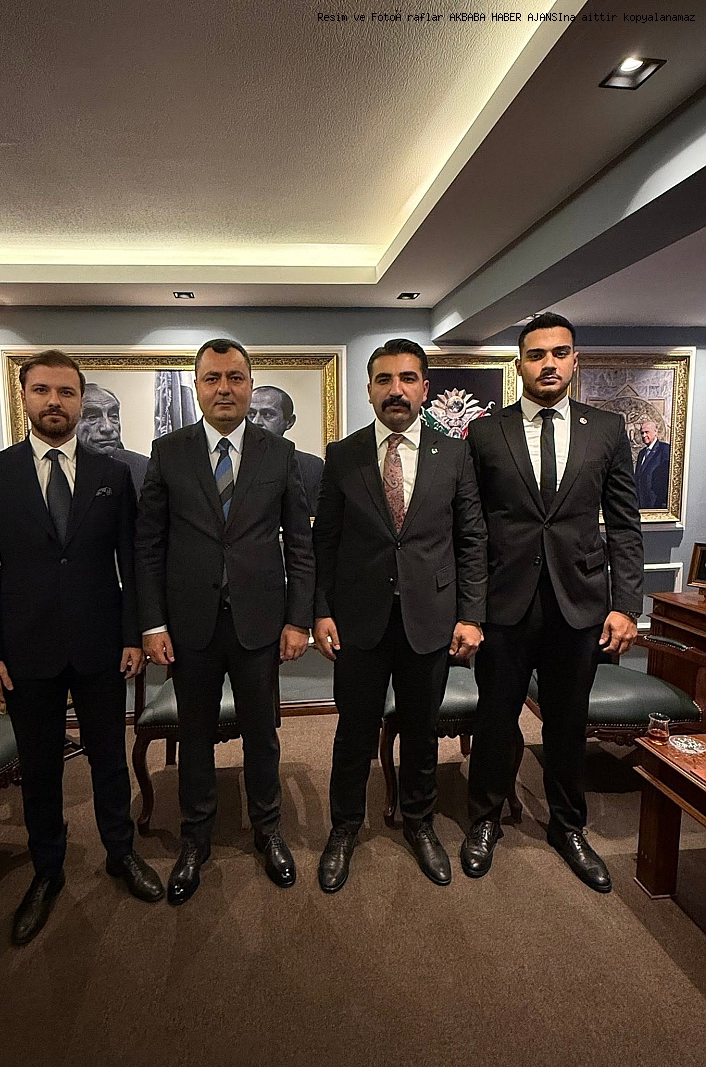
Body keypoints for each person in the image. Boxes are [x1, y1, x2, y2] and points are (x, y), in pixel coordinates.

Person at [0, 350, 164, 946]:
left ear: (79, 399)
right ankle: (47, 871)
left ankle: (120, 853)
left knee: (109, 759)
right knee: (41, 767)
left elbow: (132, 563)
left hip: (102, 646)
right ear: (24, 396)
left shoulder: (112, 475)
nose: (55, 402)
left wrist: (132, 635)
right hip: (24, 651)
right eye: (43, 390)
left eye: (66, 392)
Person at [462, 312, 644, 893]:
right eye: (537, 354)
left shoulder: (606, 429)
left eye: (559, 353)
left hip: (580, 604)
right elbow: (471, 529)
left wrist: (627, 605)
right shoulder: (486, 433)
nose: (549, 364)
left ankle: (568, 827)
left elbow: (624, 524)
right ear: (519, 364)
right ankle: (485, 820)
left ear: (574, 360)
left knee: (568, 723)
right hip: (504, 604)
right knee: (495, 719)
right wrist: (469, 609)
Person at [135, 338, 315, 905]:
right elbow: (149, 546)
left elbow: (301, 544)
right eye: (212, 378)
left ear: (249, 384)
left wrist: (299, 620)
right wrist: (152, 624)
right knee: (195, 735)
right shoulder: (168, 452)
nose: (224, 389)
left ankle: (268, 828)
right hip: (190, 625)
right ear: (197, 387)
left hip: (260, 622)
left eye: (235, 378)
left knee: (262, 733)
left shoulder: (279, 454)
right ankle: (196, 838)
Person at [312, 338, 487, 892]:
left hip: (430, 619)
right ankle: (344, 827)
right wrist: (320, 611)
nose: (396, 390)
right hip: (359, 620)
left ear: (425, 389)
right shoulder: (343, 454)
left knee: (421, 731)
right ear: (368, 390)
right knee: (353, 732)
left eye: (408, 379)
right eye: (384, 379)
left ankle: (420, 823)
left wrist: (471, 615)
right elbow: (325, 542)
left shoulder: (453, 455)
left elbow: (471, 539)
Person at [249, 385, 324, 515]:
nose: (256, 421)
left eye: (267, 414)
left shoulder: (311, 467)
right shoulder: (229, 460)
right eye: (250, 414)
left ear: (289, 422)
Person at [76, 383, 149, 495]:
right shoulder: (56, 469)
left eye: (113, 416)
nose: (107, 427)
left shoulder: (144, 468)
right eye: (92, 417)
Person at [634, 419, 671, 509]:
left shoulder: (664, 449)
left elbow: (667, 477)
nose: (644, 435)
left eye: (647, 432)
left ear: (655, 432)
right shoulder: (642, 453)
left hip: (656, 503)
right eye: (642, 433)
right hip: (641, 502)